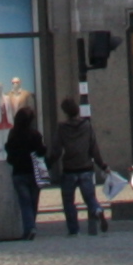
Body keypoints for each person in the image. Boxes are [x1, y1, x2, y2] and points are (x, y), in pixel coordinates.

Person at [51, 99, 109, 238]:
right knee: (89, 197)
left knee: (68, 201)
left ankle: (74, 230)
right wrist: (102, 165)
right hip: (86, 167)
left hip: (69, 168)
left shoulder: (62, 127)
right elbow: (94, 148)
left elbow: (57, 150)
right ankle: (97, 210)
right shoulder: (87, 125)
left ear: (65, 112)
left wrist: (48, 163)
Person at [0, 98, 48, 243]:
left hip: (19, 173)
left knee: (25, 202)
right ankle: (31, 226)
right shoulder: (35, 135)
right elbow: (41, 152)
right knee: (33, 202)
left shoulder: (13, 134)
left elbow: (10, 154)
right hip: (34, 172)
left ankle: (30, 228)